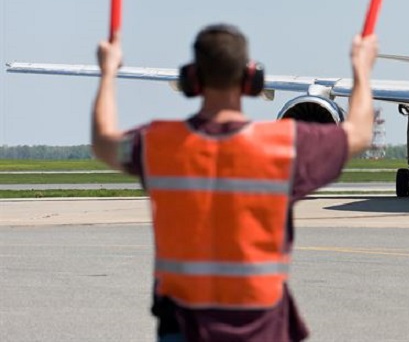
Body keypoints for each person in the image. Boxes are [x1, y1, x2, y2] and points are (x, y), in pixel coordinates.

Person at [91, 24, 377, 342]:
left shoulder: (157, 143)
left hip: (183, 327)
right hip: (262, 328)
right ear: (251, 79)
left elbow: (103, 142)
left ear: (191, 79)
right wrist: (361, 69)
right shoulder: (284, 146)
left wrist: (107, 72)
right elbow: (360, 134)